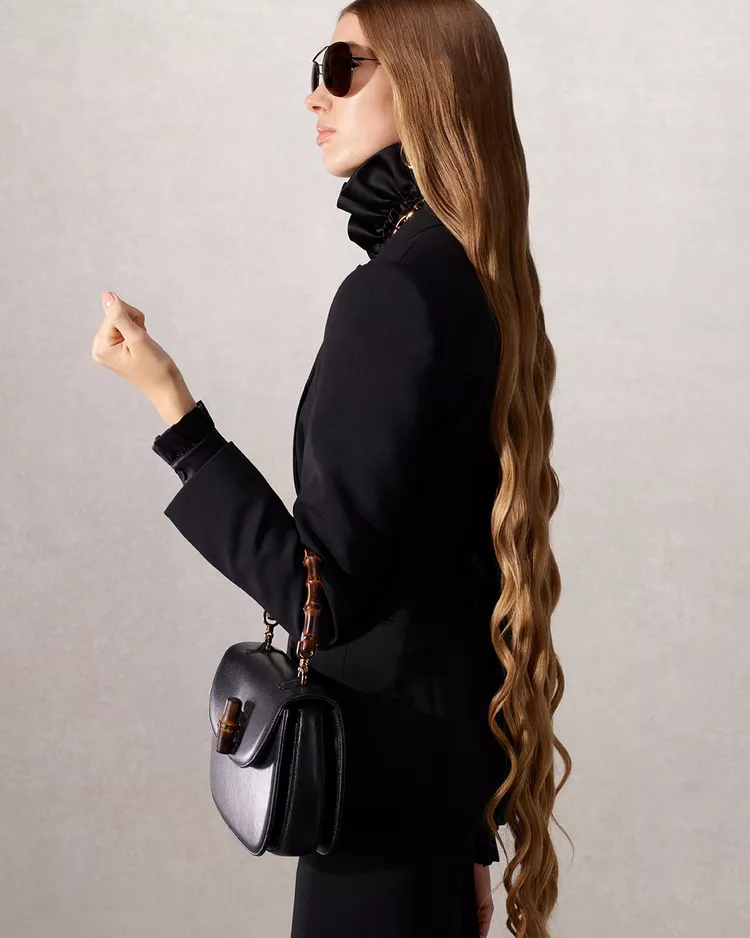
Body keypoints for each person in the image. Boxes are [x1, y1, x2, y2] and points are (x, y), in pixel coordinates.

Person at [91, 2, 571, 936]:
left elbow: (319, 599)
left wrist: (173, 410)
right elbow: (457, 583)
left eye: (344, 66)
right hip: (426, 807)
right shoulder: (470, 275)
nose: (317, 94)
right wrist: (467, 840)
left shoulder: (394, 293)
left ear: (426, 84)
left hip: (378, 812)